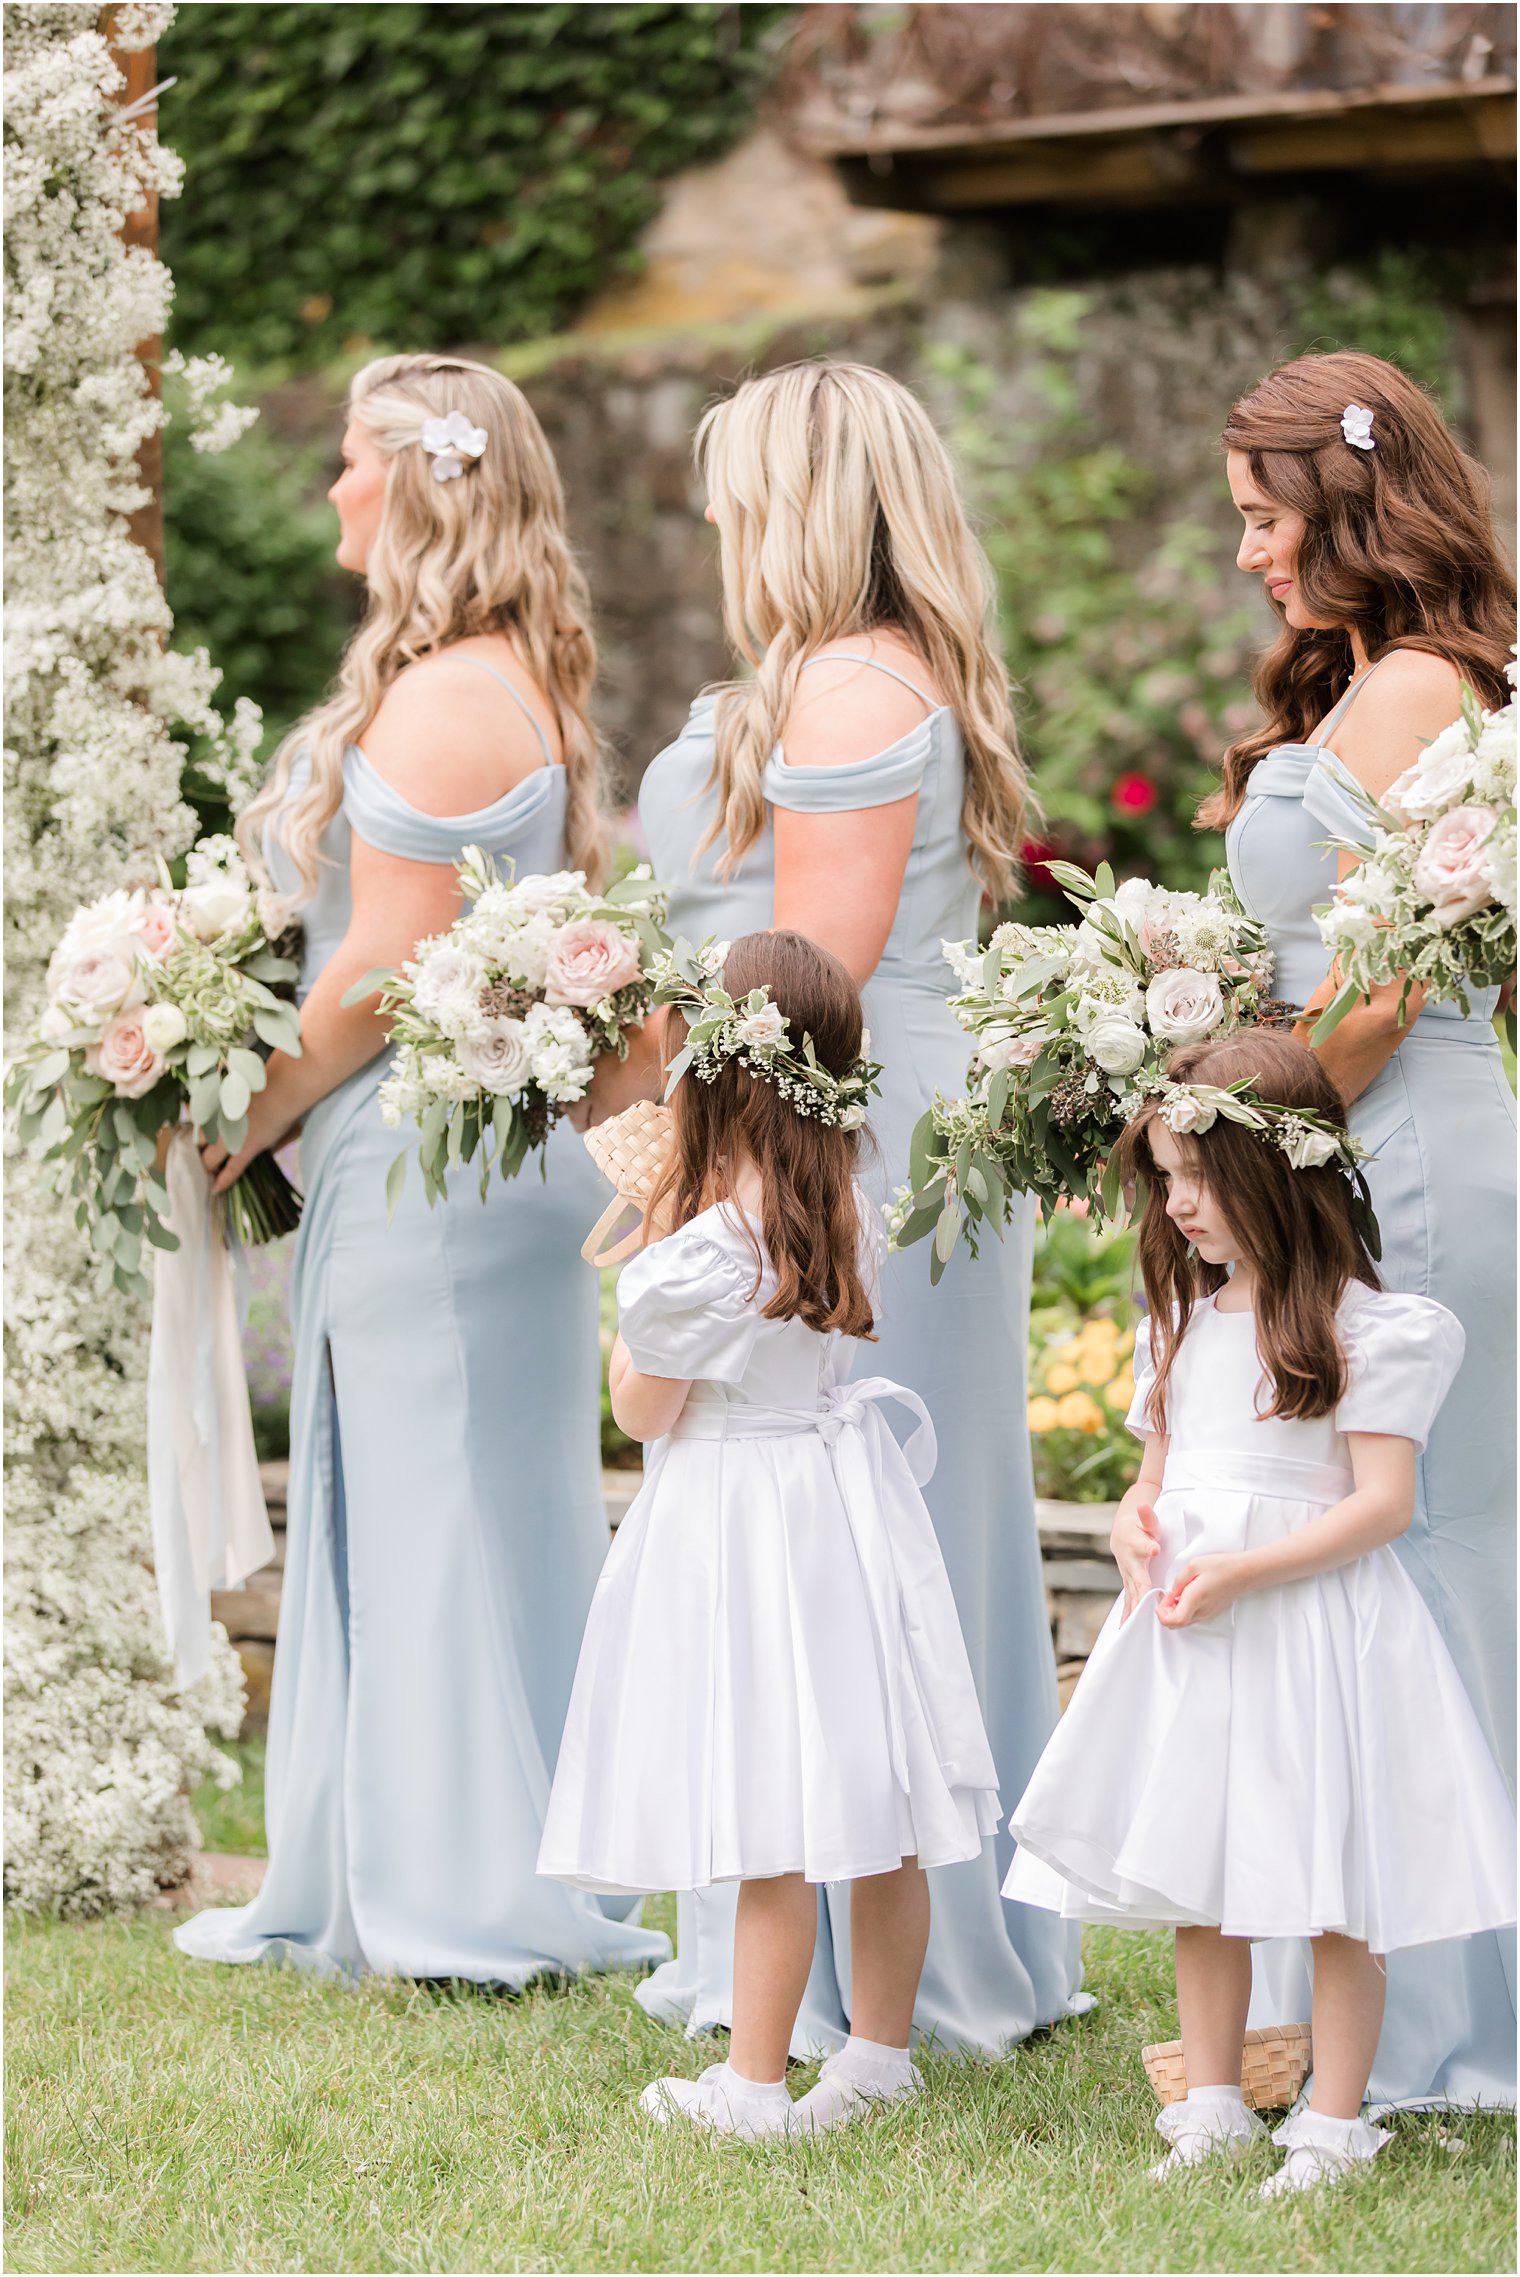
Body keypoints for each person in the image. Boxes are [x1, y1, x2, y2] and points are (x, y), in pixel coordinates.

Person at [579, 360, 1085, 2056]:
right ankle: (883, 1960)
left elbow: (818, 987)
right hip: (887, 1136)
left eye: (736, 492)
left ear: (798, 502)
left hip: (865, 1150)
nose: (716, 521)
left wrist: (693, 1180)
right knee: (892, 1544)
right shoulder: (865, 678)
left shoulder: (855, 692)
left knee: (869, 1552)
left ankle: (903, 1983)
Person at [175, 353, 668, 1986]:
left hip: (431, 1169)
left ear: (419, 481)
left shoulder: (450, 692)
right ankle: (450, 1865)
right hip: (465, 1159)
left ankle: (457, 1896)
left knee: (438, 1518)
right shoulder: (488, 676)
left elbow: (385, 960)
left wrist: (231, 1109)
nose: (330, 489)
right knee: (456, 1509)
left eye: (347, 461)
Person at [1165, 349, 1516, 2110]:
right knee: (1378, 1564)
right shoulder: (1377, 684)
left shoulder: (1430, 697)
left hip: (1397, 1144)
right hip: (1335, 1139)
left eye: (1263, 519)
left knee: (1424, 1557)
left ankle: (1451, 2022)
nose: (1250, 556)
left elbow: (1376, 1004)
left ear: (1351, 500)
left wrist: (1226, 1125)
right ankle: (1378, 2004)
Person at [1007, 1032, 1517, 2196]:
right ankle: (1216, 2101)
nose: (1179, 1204)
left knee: (1335, 1878)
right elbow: (1155, 1478)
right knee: (1202, 1869)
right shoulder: (1182, 1321)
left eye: (1201, 1177)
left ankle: (1333, 2120)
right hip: (1197, 1632)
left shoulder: (1369, 1329)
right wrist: (1139, 1525)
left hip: (1311, 1628)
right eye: (1167, 1178)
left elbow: (1381, 1506)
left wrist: (1246, 1570)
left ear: (1277, 1174)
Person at [540, 932, 1002, 2136]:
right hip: (842, 1505)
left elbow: (642, 1408)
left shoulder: (695, 1251)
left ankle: (750, 2089)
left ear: (715, 1069)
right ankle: (879, 2056)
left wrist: (647, 1242)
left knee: (768, 1809)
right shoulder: (838, 1202)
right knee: (875, 1790)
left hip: (739, 1518)